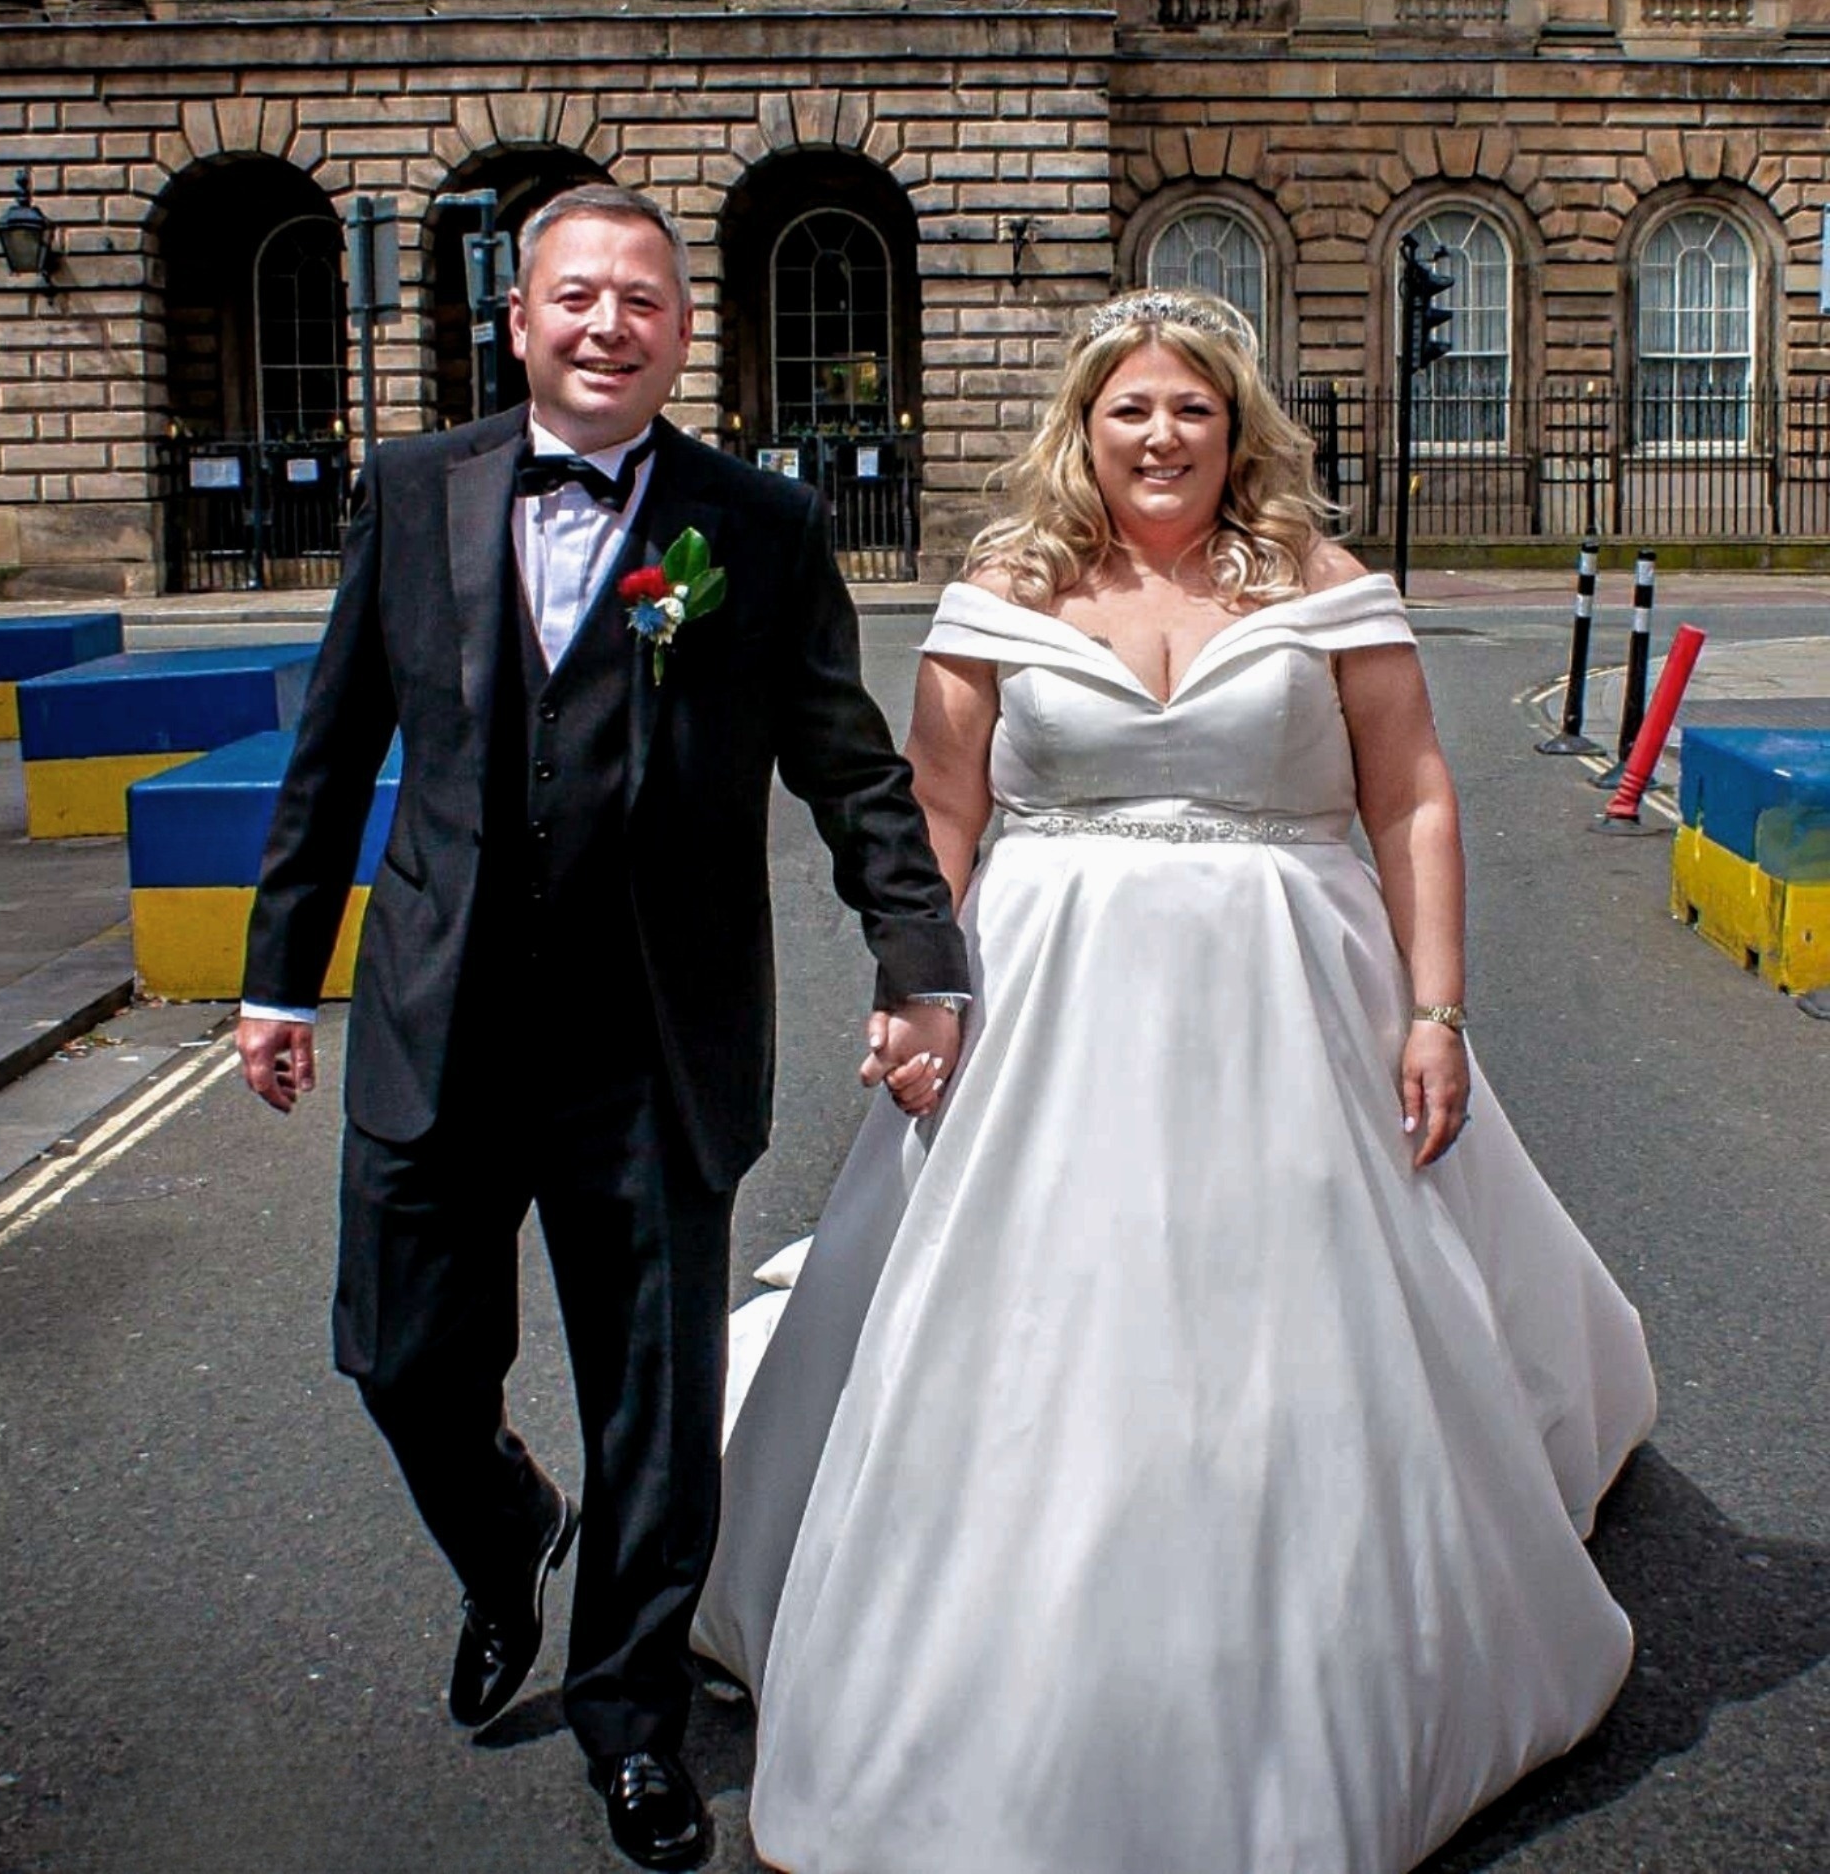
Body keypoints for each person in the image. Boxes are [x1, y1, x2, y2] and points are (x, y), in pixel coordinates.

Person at [693, 290, 1658, 1874]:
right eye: (1130, 410)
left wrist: (1438, 1012)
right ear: (1084, 429)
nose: (1161, 436)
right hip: (1045, 1008)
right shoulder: (1001, 592)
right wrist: (917, 984)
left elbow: (1412, 796)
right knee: (1038, 1326)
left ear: (1237, 428)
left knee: (1289, 1315)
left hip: (1290, 1001)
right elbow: (939, 809)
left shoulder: (1326, 586)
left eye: (1192, 410)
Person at [233, 184, 969, 1873]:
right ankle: (508, 1539)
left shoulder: (759, 528)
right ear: (518, 318)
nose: (607, 324)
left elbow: (850, 770)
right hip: (439, 1015)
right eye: (577, 296)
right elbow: (336, 742)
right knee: (401, 1358)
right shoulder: (415, 492)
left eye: (642, 298)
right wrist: (280, 976)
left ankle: (633, 1719)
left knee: (653, 1400)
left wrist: (915, 956)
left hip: (655, 1039)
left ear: (680, 329)